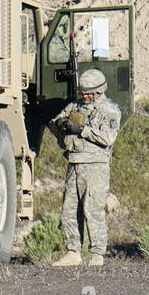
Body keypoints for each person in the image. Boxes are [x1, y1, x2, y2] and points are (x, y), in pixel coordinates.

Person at [50, 69, 120, 267]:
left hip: (95, 165)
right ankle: (73, 251)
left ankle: (97, 254)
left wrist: (82, 129)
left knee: (93, 209)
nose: (85, 97)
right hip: (74, 163)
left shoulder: (109, 110)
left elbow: (107, 138)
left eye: (89, 93)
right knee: (69, 210)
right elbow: (57, 124)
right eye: (83, 93)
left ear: (99, 92)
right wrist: (60, 124)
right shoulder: (75, 106)